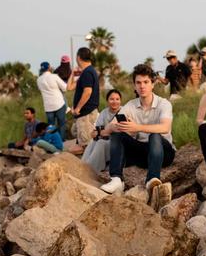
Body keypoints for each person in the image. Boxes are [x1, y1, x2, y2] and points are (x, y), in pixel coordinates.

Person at [100, 64, 175, 211]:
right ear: (134, 85)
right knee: (117, 132)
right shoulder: (130, 105)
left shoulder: (163, 104)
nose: (142, 86)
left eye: (146, 82)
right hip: (142, 154)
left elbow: (165, 127)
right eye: (138, 83)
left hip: (163, 152)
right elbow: (107, 130)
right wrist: (118, 126)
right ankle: (117, 179)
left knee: (155, 134)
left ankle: (152, 180)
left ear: (153, 84)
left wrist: (137, 127)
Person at [67, 47, 100, 152]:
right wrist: (73, 73)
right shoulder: (86, 72)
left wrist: (78, 108)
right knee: (77, 135)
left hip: (86, 113)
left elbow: (88, 92)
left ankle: (90, 167)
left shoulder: (87, 73)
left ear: (78, 57)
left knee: (87, 145)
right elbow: (69, 87)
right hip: (84, 114)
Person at [82, 89, 122, 173]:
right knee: (93, 142)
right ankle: (83, 165)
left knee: (100, 143)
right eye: (112, 99)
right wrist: (100, 132)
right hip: (105, 139)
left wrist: (101, 132)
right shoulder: (104, 112)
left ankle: (90, 171)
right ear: (107, 101)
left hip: (117, 143)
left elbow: (108, 131)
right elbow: (94, 133)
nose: (115, 101)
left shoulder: (124, 111)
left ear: (120, 101)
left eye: (117, 99)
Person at [37, 61, 68, 141]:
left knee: (50, 125)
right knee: (61, 124)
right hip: (59, 103)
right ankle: (61, 141)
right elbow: (65, 87)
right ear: (49, 68)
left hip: (48, 106)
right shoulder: (54, 76)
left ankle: (52, 140)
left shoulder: (38, 80)